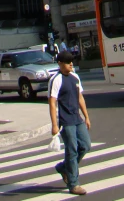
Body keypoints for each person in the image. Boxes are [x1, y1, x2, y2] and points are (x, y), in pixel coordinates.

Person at [48, 50, 92, 196]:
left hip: (77, 119)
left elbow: (80, 98)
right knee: (72, 150)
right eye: (67, 62)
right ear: (60, 64)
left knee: (85, 146)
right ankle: (73, 184)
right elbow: (52, 102)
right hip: (65, 121)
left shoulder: (75, 77)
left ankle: (64, 167)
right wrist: (54, 124)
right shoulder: (56, 79)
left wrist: (86, 116)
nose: (71, 64)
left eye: (72, 61)